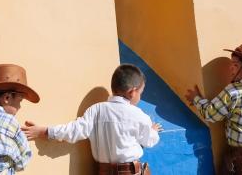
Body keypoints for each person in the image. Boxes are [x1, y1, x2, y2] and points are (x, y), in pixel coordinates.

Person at [22, 63, 161, 175]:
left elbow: (73, 131)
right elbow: (149, 141)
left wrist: (43, 131)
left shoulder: (96, 110)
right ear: (132, 92)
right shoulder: (139, 115)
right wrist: (153, 131)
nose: (140, 97)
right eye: (140, 93)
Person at [185, 40, 242, 175]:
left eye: (235, 65)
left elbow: (211, 114)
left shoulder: (234, 91)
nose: (230, 68)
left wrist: (196, 99)